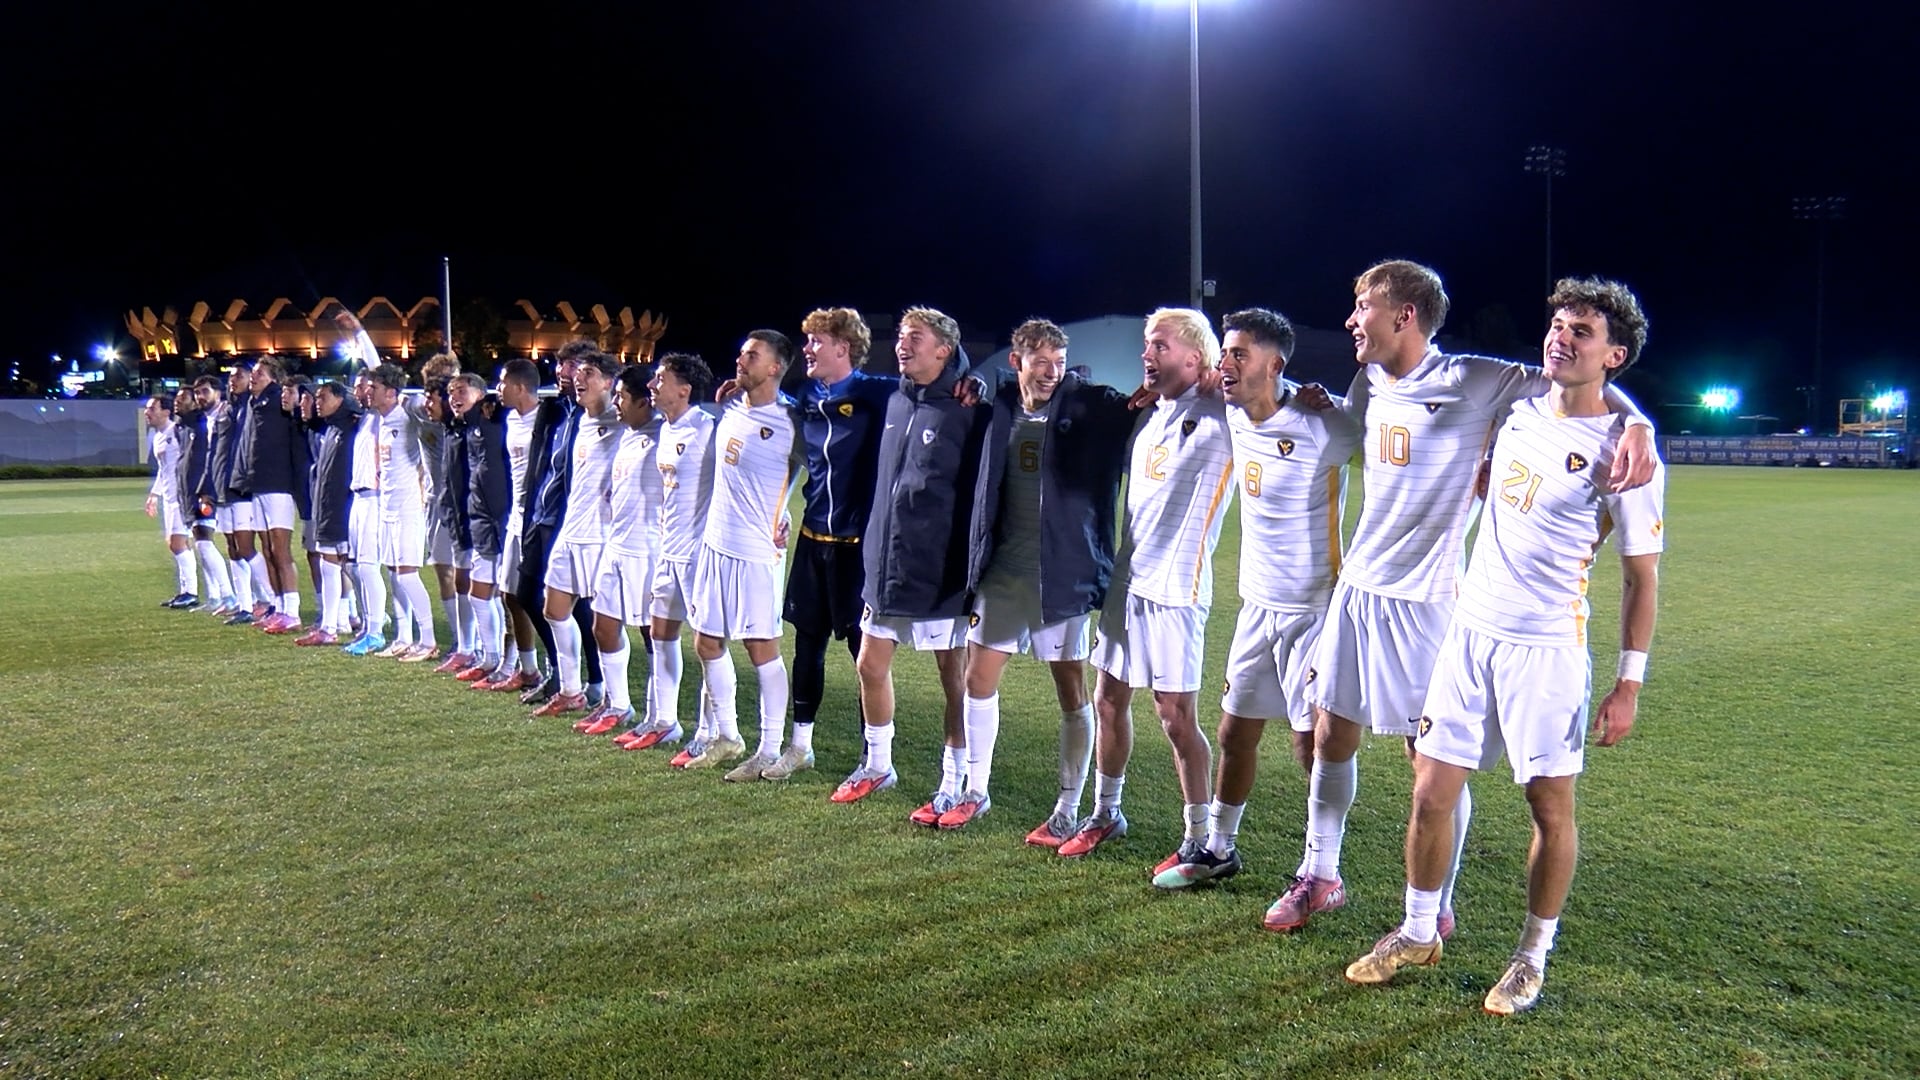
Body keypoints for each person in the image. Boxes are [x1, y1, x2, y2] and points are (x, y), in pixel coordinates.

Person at [1270, 259, 1658, 936]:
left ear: (1404, 316)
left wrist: (1639, 425)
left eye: (1362, 306)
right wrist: (1322, 404)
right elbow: (1368, 438)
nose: (1350, 320)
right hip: (1360, 590)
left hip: (1431, 601)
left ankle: (1437, 901)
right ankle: (1320, 873)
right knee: (1328, 737)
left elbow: (1584, 390)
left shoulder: (1474, 381)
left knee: (1431, 764)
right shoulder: (1366, 382)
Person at [1148, 308, 1362, 888]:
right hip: (1255, 606)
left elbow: (1400, 438)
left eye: (1240, 354)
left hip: (1313, 610)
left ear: (1276, 365)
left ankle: (1322, 869)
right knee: (1234, 734)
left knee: (1310, 743)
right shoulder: (1235, 414)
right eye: (1226, 354)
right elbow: (1172, 376)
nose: (1227, 365)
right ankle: (1217, 848)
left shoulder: (1326, 423)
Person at [1061, 308, 1236, 865]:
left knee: (1175, 717)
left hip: (1177, 591)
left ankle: (1199, 836)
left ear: (1194, 357)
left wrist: (1227, 379)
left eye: (1159, 346)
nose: (1147, 354)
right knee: (1107, 700)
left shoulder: (1224, 411)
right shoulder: (1153, 413)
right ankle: (1106, 812)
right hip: (1128, 581)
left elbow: (1277, 394)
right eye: (1146, 344)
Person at [957, 318, 1136, 837]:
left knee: (1070, 690)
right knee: (978, 679)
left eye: (1058, 362)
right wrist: (977, 383)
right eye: (1041, 362)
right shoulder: (1002, 406)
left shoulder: (1086, 404)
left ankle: (1066, 807)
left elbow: (1127, 407)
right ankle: (976, 790)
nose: (1051, 373)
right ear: (1018, 361)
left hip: (1063, 575)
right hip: (1005, 572)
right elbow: (969, 387)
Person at [829, 307, 990, 814]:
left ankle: (955, 778)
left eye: (915, 338)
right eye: (900, 337)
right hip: (885, 561)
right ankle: (879, 765)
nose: (902, 345)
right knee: (869, 663)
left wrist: (982, 378)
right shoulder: (895, 397)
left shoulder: (969, 405)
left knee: (954, 675)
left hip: (939, 565)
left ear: (944, 349)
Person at [766, 307, 896, 779]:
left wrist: (971, 378)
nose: (808, 349)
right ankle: (800, 746)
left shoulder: (875, 392)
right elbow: (794, 451)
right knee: (807, 644)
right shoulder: (803, 396)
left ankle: (874, 756)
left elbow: (934, 387)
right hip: (812, 537)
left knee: (865, 656)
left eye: (817, 341)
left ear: (843, 347)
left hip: (857, 546)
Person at [678, 331, 802, 773]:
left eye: (752, 355)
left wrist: (784, 514)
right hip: (715, 543)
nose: (741, 359)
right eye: (742, 352)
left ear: (775, 367)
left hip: (755, 550)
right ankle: (728, 736)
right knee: (706, 641)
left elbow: (821, 469)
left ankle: (769, 748)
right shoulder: (731, 408)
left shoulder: (792, 420)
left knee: (761, 647)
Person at [531, 352, 625, 716]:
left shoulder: (623, 421)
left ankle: (616, 703)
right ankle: (571, 690)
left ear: (609, 381)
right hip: (572, 528)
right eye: (579, 372)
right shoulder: (580, 420)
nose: (580, 378)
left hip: (603, 536)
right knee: (554, 610)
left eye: (590, 373)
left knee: (606, 625)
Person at [575, 363, 663, 736]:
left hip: (647, 549)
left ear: (644, 402)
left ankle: (659, 716)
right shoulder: (627, 432)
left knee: (653, 636)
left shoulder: (664, 434)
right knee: (603, 625)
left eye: (622, 397)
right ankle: (618, 703)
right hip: (617, 542)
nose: (616, 404)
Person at [636, 352, 718, 755]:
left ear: (684, 389)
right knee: (660, 633)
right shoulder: (666, 429)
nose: (652, 385)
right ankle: (664, 720)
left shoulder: (707, 429)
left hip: (698, 555)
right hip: (667, 550)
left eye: (660, 379)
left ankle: (710, 731)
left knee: (708, 646)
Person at [515, 342, 604, 706]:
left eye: (573, 367)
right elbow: (543, 463)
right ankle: (561, 671)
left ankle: (594, 679)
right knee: (526, 594)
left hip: (572, 519)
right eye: (562, 365)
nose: (564, 373)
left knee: (579, 604)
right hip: (541, 513)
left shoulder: (597, 415)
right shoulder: (556, 411)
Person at [472, 359, 546, 692]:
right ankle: (524, 668)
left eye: (501, 383)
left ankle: (562, 673)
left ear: (519, 386)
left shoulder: (546, 420)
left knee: (544, 600)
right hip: (515, 518)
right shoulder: (510, 419)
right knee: (510, 596)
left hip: (540, 520)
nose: (497, 389)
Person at [363, 361, 440, 662]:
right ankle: (404, 637)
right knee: (394, 574)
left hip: (409, 507)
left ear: (392, 392)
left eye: (375, 387)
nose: (369, 392)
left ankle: (429, 640)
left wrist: (412, 399)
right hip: (388, 505)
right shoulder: (381, 420)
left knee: (408, 576)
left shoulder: (407, 416)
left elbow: (425, 406)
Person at [450, 372, 513, 684]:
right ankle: (490, 657)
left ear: (479, 393)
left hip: (504, 516)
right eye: (451, 392)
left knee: (506, 595)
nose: (454, 397)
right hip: (480, 517)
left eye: (461, 390)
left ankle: (512, 662)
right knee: (478, 593)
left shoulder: (495, 414)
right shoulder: (467, 426)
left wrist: (493, 402)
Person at [294, 380, 364, 646]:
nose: (318, 402)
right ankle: (331, 625)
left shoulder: (354, 424)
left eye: (323, 397)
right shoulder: (331, 427)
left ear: (339, 398)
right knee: (329, 562)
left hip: (344, 505)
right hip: (327, 505)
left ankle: (368, 621)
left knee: (353, 566)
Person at [142, 393, 198, 608]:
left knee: (178, 543)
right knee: (174, 544)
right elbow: (164, 470)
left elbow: (185, 465)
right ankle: (186, 590)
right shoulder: (158, 436)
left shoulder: (176, 432)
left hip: (180, 497)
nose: (148, 412)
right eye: (148, 408)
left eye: (152, 408)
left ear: (166, 411)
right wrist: (154, 495)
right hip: (169, 496)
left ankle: (191, 592)